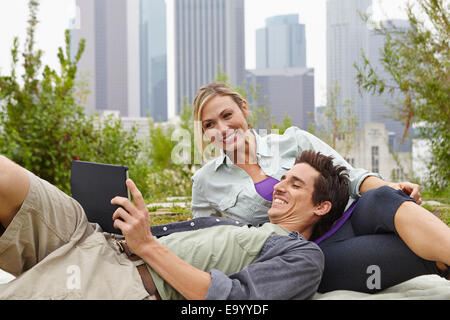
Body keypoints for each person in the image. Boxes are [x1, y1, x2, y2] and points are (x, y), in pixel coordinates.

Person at [191, 82, 450, 293]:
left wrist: (393, 188)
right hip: (309, 250)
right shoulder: (205, 182)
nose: (222, 129)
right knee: (423, 252)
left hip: (351, 216)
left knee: (383, 197)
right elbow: (208, 241)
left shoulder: (293, 140)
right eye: (209, 124)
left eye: (227, 115)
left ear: (243, 109)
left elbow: (351, 177)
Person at [0, 150, 352, 299]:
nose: (279, 185)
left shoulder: (303, 256)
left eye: (295, 184)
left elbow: (231, 300)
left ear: (322, 206)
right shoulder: (248, 225)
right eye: (284, 177)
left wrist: (146, 246)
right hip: (98, 239)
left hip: (123, 277)